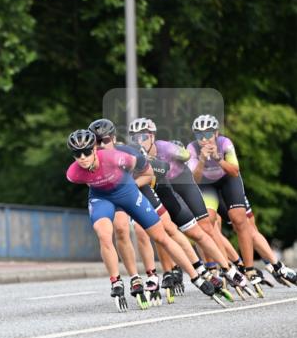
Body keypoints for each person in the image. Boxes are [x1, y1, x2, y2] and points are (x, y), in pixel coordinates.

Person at [65, 129, 224, 312]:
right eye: (77, 154)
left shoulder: (116, 157)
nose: (82, 157)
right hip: (102, 199)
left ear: (94, 149)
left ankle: (196, 277)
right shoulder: (73, 173)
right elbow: (91, 179)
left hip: (128, 193)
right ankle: (116, 282)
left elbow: (147, 171)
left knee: (161, 237)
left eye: (86, 151)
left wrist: (134, 184)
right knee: (105, 234)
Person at [127, 118, 253, 299]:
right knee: (163, 230)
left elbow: (185, 156)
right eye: (135, 138)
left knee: (205, 228)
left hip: (183, 183)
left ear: (152, 136)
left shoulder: (165, 147)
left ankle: (229, 268)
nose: (140, 142)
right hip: (164, 189)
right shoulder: (134, 154)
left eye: (144, 137)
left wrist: (181, 155)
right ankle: (170, 271)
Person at [88, 118, 156, 306]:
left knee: (133, 231)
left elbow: (149, 175)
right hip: (106, 196)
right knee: (112, 232)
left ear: (114, 138)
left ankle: (143, 275)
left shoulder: (125, 152)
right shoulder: (90, 156)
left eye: (106, 140)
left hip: (128, 191)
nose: (101, 145)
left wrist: (130, 186)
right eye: (96, 141)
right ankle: (122, 279)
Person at [187, 115, 257, 275]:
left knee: (239, 219)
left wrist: (218, 158)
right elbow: (194, 180)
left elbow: (234, 171)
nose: (204, 139)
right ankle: (215, 266)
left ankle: (249, 268)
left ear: (216, 133)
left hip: (227, 179)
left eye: (208, 134)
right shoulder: (192, 148)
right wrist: (202, 161)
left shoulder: (225, 143)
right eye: (199, 135)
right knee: (207, 222)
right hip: (206, 184)